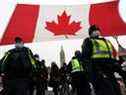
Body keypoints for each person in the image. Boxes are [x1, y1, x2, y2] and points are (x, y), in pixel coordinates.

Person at [81, 25, 124, 95]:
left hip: (109, 71)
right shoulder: (89, 41)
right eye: (94, 31)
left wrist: (119, 69)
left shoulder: (107, 41)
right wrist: (91, 74)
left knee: (116, 90)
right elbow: (86, 59)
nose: (97, 32)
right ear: (91, 33)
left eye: (98, 30)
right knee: (107, 91)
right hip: (98, 72)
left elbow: (111, 58)